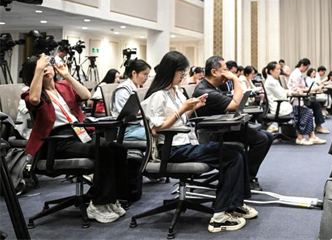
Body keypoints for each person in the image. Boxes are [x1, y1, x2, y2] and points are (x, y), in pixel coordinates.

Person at [142, 51, 256, 232]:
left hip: (185, 144)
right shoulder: (158, 95)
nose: (183, 76)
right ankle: (219, 217)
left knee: (237, 151)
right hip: (171, 149)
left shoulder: (176, 91)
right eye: (181, 72)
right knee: (232, 156)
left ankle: (235, 204)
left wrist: (193, 107)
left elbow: (180, 120)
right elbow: (157, 129)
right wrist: (182, 110)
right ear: (171, 71)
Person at [21, 55, 127, 223]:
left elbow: (86, 95)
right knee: (103, 150)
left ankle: (110, 198)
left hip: (79, 133)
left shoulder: (63, 86)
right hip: (57, 141)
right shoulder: (31, 94)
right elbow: (34, 100)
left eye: (48, 66)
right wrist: (39, 70)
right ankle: (98, 204)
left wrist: (67, 76)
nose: (46, 69)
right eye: (41, 68)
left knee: (118, 149)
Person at [193, 57, 274, 191]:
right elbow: (236, 104)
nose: (228, 73)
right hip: (215, 132)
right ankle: (246, 179)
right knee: (261, 139)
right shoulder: (205, 91)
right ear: (214, 72)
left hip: (224, 126)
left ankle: (245, 176)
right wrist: (235, 79)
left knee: (268, 136)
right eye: (225, 70)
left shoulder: (213, 87)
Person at [262, 61, 325, 145]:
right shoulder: (271, 81)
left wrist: (292, 92)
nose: (280, 71)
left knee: (306, 111)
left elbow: (283, 91)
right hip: (279, 108)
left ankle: (312, 137)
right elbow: (282, 96)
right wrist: (293, 92)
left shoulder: (273, 80)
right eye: (278, 69)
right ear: (271, 71)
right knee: (306, 112)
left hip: (282, 106)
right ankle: (300, 137)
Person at [111, 59, 151, 141]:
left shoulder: (138, 87)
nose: (146, 78)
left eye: (148, 75)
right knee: (157, 133)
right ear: (134, 73)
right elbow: (126, 114)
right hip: (126, 129)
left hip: (138, 126)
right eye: (145, 75)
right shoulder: (123, 90)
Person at [288, 58, 328, 135]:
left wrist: (310, 89)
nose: (307, 69)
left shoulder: (298, 74)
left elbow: (301, 88)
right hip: (296, 99)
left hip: (301, 97)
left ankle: (317, 128)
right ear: (302, 65)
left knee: (316, 104)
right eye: (306, 67)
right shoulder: (296, 74)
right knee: (315, 105)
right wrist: (312, 89)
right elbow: (297, 89)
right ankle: (317, 128)